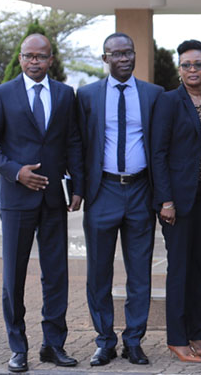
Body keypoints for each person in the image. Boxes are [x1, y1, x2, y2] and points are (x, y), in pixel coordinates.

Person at [0, 34, 84, 373]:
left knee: (56, 275)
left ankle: (53, 345)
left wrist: (78, 186)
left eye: (41, 56)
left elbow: (73, 142)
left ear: (51, 59)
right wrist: (16, 172)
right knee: (14, 277)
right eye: (28, 56)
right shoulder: (2, 94)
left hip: (54, 199)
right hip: (16, 200)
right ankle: (18, 347)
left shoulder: (65, 94)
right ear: (21, 58)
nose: (34, 61)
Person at [76, 32, 163, 367]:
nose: (124, 58)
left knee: (139, 273)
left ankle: (134, 341)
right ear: (105, 58)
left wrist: (163, 196)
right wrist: (79, 189)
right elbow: (77, 144)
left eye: (129, 52)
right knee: (99, 273)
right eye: (117, 54)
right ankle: (104, 341)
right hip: (103, 192)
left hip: (140, 191)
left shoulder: (153, 94)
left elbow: (161, 148)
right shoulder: (87, 96)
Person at [150, 40, 201, 363]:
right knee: (179, 269)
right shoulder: (168, 101)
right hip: (178, 199)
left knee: (198, 269)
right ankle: (176, 339)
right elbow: (158, 153)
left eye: (198, 64)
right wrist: (165, 200)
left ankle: (195, 334)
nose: (193, 70)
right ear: (180, 69)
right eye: (187, 65)